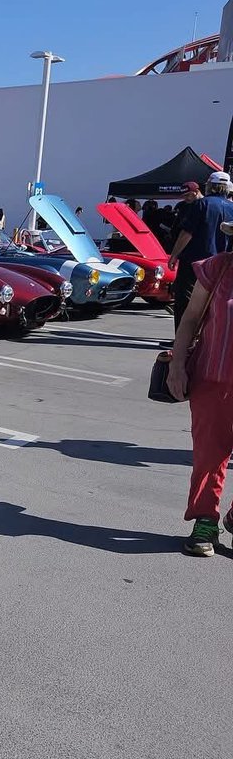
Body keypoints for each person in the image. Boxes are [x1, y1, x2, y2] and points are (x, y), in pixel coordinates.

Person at [168, 218, 233, 556]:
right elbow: (190, 319)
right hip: (213, 378)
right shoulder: (218, 269)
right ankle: (205, 521)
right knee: (210, 456)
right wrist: (177, 365)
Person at [168, 171, 233, 331]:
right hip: (221, 261)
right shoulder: (231, 207)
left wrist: (174, 255)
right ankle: (204, 337)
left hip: (194, 260)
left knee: (185, 299)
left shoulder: (201, 204)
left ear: (210, 186)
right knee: (213, 300)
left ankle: (183, 339)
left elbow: (187, 233)